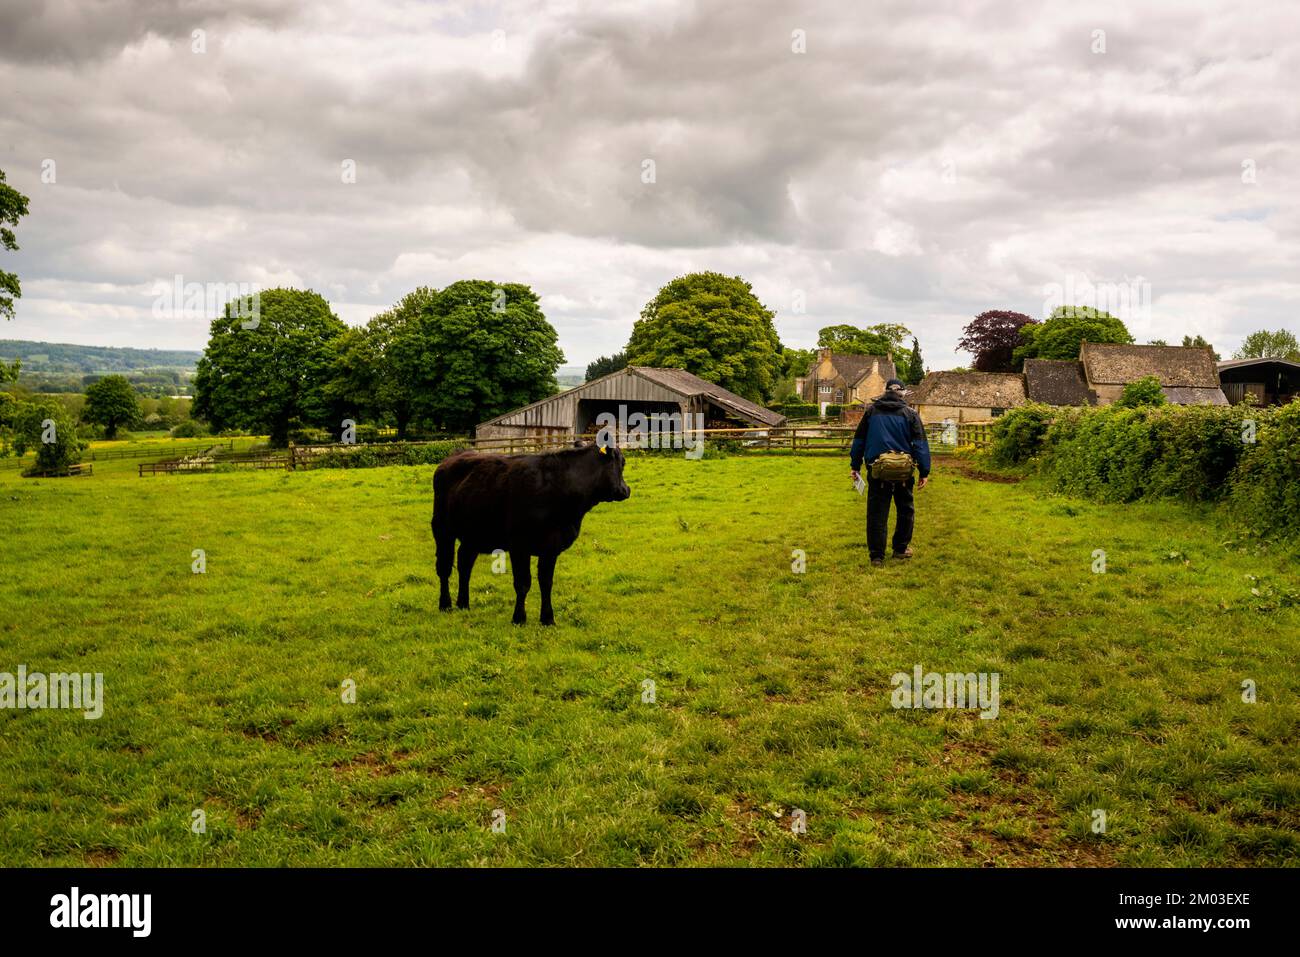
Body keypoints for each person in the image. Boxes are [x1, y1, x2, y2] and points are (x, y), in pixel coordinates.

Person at [849, 379, 931, 567]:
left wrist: (855, 465)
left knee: (877, 512)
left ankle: (877, 556)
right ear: (902, 393)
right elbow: (920, 444)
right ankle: (900, 549)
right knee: (905, 510)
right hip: (903, 472)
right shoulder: (910, 414)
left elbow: (859, 440)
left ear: (885, 392)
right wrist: (924, 471)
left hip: (877, 470)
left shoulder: (871, 412)